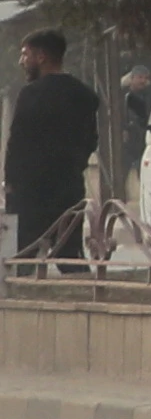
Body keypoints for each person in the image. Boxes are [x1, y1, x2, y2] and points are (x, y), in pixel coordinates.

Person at [8, 31, 97, 263]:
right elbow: (91, 140)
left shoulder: (30, 94)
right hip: (69, 188)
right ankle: (85, 292)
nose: (21, 61)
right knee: (70, 254)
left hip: (30, 192)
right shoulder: (85, 95)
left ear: (41, 56)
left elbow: (17, 143)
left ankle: (20, 296)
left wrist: (11, 183)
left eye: (25, 55)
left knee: (22, 257)